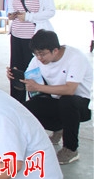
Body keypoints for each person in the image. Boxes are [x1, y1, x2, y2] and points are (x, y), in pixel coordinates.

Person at [10, 29, 92, 165]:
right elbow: (28, 83)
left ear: (55, 50)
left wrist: (38, 87)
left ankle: (71, 149)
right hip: (55, 99)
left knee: (67, 101)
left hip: (77, 104)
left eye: (42, 54)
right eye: (36, 54)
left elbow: (70, 89)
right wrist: (16, 78)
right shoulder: (37, 60)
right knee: (24, 110)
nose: (39, 58)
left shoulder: (75, 58)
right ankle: (58, 128)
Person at [7, 0, 55, 104]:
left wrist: (29, 17)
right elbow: (11, 8)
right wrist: (12, 15)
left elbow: (50, 11)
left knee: (34, 72)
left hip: (33, 37)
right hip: (16, 35)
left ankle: (38, 103)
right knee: (16, 72)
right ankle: (17, 104)